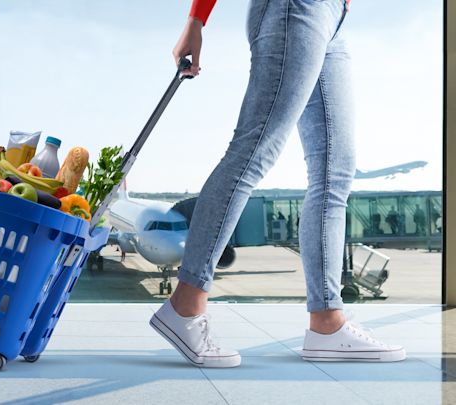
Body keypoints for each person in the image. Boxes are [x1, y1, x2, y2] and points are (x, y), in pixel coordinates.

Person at [149, 0, 406, 368]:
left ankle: (327, 324)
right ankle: (185, 307)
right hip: (293, 8)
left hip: (334, 17)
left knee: (335, 171)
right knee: (253, 151)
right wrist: (196, 19)